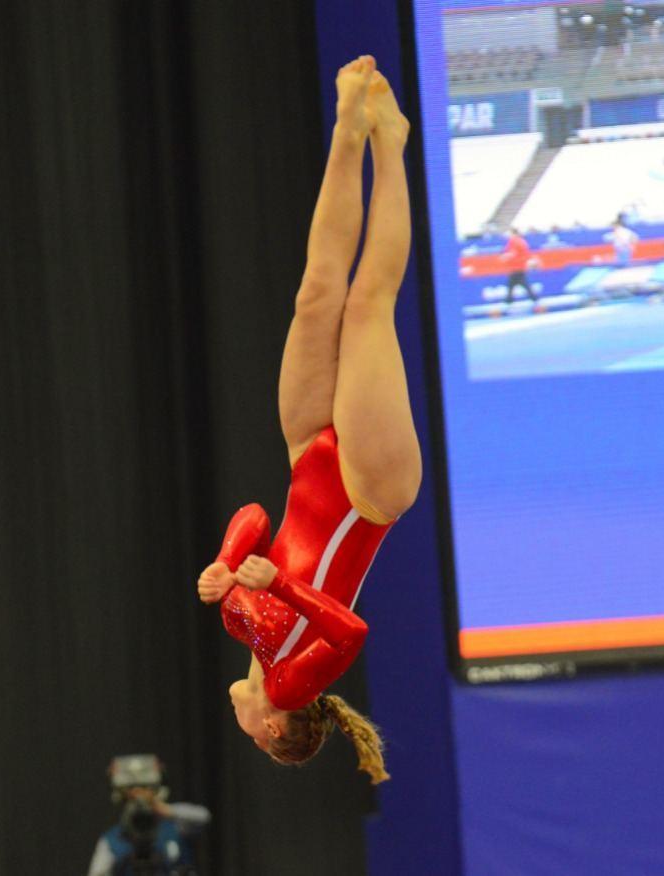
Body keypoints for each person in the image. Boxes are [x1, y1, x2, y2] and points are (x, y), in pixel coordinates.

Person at [195, 56, 420, 784]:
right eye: (251, 735)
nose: (241, 725)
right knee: (366, 306)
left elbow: (258, 514)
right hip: (366, 494)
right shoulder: (293, 681)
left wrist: (228, 562)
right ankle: (388, 143)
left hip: (308, 458)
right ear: (272, 731)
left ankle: (348, 128)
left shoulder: (248, 642)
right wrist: (278, 586)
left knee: (317, 295)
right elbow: (351, 629)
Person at [501, 226, 539, 306]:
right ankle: (509, 299)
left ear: (513, 233)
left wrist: (505, 257)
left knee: (517, 283)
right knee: (514, 283)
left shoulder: (515, 241)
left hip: (517, 266)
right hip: (518, 266)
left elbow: (513, 253)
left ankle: (510, 300)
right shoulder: (520, 241)